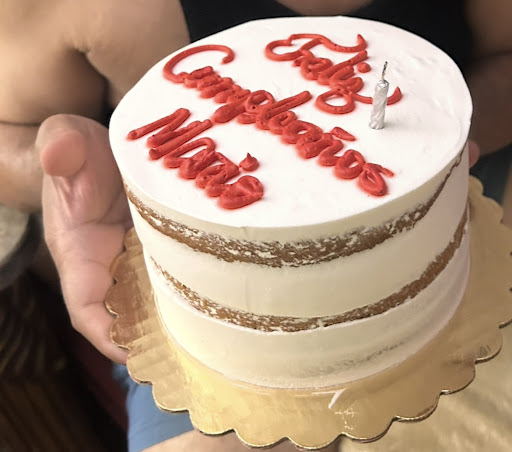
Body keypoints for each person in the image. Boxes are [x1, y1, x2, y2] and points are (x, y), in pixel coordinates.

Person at [1, 0, 511, 450]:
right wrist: (71, 171)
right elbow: (10, 134)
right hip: (202, 312)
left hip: (453, 227)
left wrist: (441, 132)